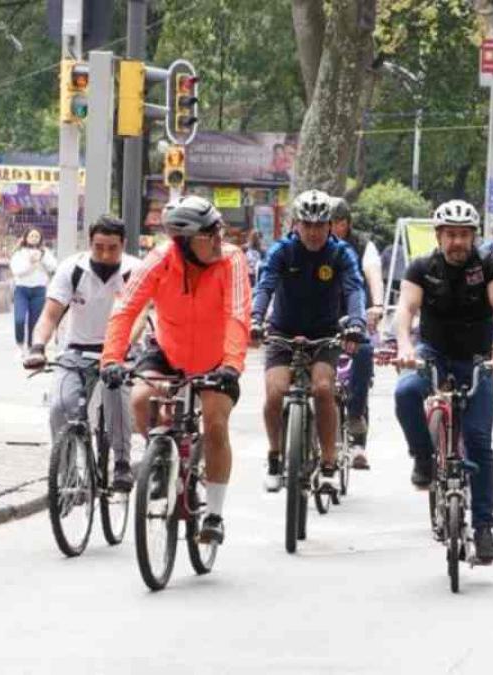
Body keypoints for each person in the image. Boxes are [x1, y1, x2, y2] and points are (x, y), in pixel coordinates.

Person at [100, 196, 252, 544]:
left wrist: (231, 364)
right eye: (210, 234)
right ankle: (161, 458)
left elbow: (238, 314)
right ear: (184, 242)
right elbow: (125, 309)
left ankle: (213, 513)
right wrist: (111, 359)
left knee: (215, 424)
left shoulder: (232, 259)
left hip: (218, 360)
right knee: (139, 400)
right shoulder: (159, 260)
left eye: (219, 231)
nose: (219, 239)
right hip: (168, 352)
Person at [392, 199, 493, 564]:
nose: (457, 242)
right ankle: (422, 458)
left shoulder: (489, 264)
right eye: (450, 235)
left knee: (479, 442)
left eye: (464, 235)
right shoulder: (421, 267)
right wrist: (404, 345)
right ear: (438, 236)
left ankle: (483, 526)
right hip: (433, 353)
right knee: (406, 392)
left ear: (474, 236)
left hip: (477, 359)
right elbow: (405, 309)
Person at [253, 191, 367, 492]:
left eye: (320, 225)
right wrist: (255, 318)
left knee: (323, 388)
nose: (314, 232)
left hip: (325, 333)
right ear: (295, 224)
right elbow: (265, 285)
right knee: (275, 392)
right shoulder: (282, 251)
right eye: (307, 225)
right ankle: (275, 456)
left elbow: (354, 289)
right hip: (282, 331)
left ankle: (328, 464)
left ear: (330, 226)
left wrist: (356, 322)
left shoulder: (340, 253)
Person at [23, 216, 142, 492]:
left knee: (117, 398)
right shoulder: (71, 269)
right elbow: (50, 315)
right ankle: (68, 474)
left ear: (123, 245)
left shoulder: (135, 271)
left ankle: (122, 463)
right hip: (76, 350)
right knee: (60, 406)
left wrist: (121, 351)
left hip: (119, 350)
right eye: (99, 247)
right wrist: (38, 347)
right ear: (90, 244)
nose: (105, 254)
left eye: (112, 248)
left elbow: (139, 315)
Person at [327, 196, 385, 469]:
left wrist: (377, 305)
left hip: (353, 316)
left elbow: (373, 274)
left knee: (363, 353)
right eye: (327, 222)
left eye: (337, 222)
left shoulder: (362, 245)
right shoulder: (307, 242)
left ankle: (356, 423)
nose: (330, 228)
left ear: (347, 223)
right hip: (319, 317)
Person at [9, 228, 58, 357]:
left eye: (37, 236)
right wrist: (31, 264)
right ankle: (20, 345)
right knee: (19, 319)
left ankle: (32, 347)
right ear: (26, 237)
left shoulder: (45, 252)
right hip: (22, 290)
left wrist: (42, 258)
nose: (34, 238)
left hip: (39, 290)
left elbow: (53, 267)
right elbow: (17, 271)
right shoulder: (19, 253)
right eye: (31, 236)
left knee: (35, 321)